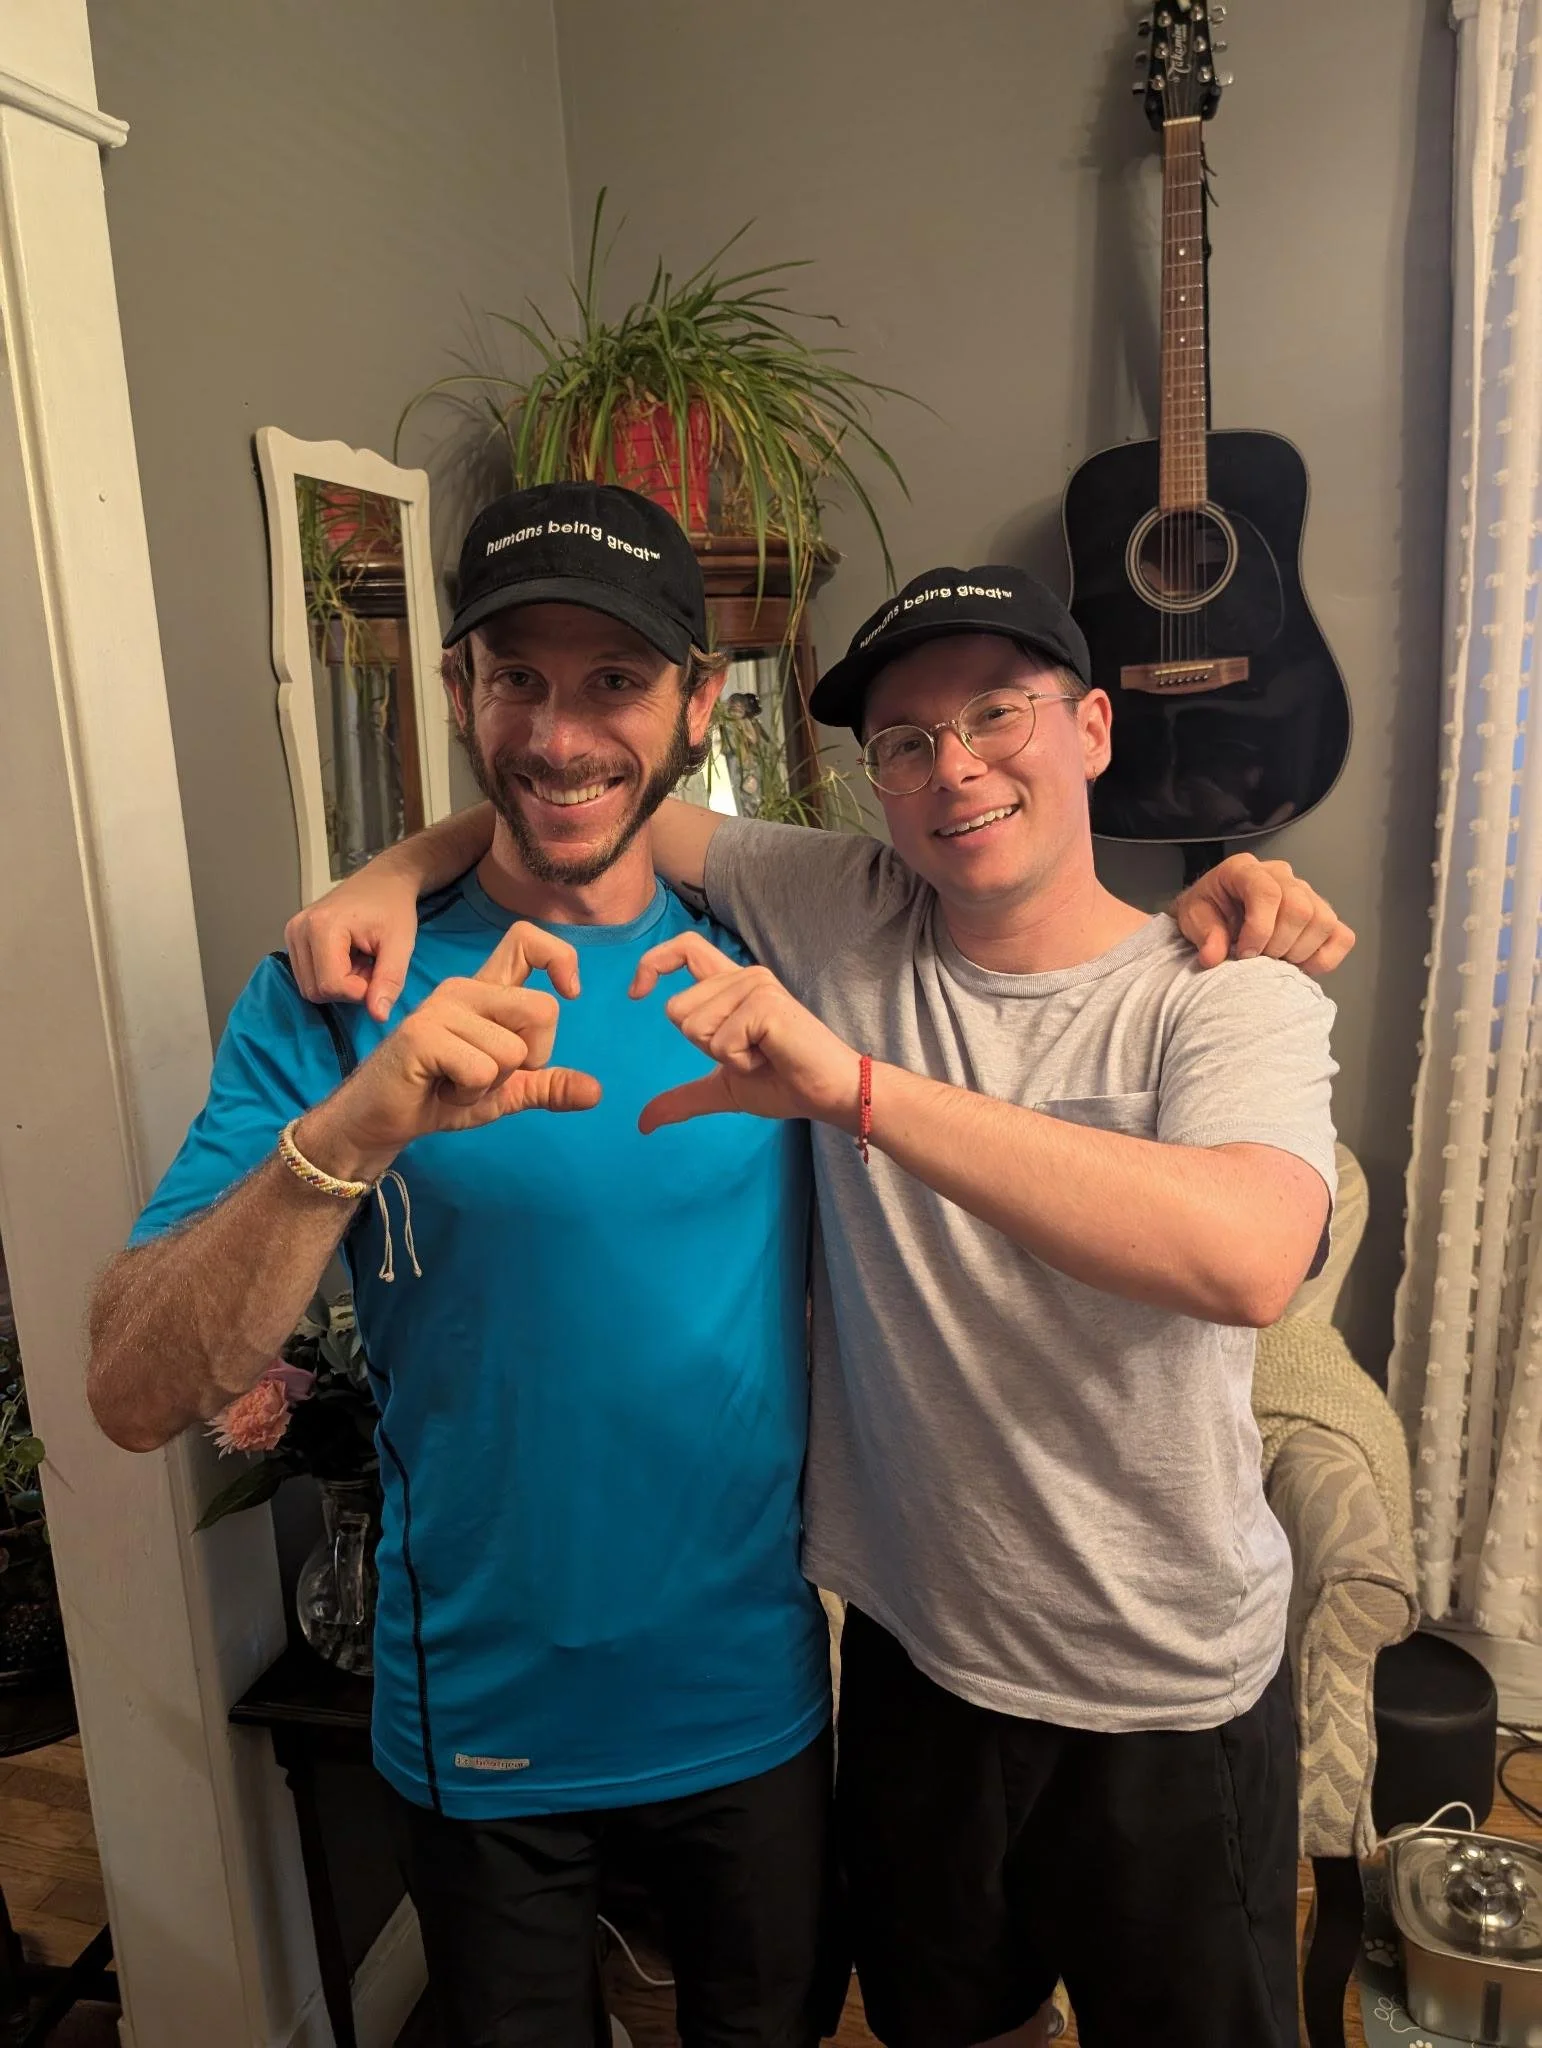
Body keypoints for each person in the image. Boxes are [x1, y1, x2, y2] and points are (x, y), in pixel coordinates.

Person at [289, 559, 1347, 2048]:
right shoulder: (840, 907)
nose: (952, 769)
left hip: (1159, 1689)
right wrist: (385, 874)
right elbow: (584, 788)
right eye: (904, 744)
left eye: (996, 717)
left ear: (1095, 728)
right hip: (917, 1674)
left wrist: (854, 1091)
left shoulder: (1220, 990)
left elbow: (1243, 1254)